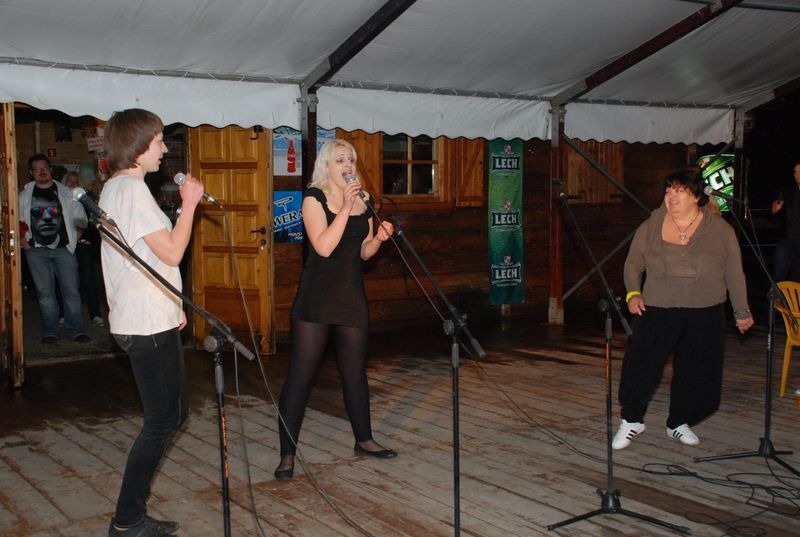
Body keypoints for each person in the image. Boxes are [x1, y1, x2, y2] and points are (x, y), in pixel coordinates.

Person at [100, 109, 204, 537]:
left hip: (150, 314)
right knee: (162, 419)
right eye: (160, 141)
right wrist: (190, 205)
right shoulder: (131, 190)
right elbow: (173, 252)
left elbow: (142, 259)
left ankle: (131, 516)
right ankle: (127, 520)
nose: (165, 149)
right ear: (140, 145)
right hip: (143, 321)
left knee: (173, 413)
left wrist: (172, 303)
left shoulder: (118, 188)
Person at [274, 139, 396, 480]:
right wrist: (344, 207)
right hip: (317, 297)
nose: (348, 165)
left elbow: (363, 252)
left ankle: (364, 439)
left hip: (350, 294)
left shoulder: (364, 199)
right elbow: (324, 247)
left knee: (355, 372)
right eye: (340, 160)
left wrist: (378, 239)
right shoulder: (313, 198)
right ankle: (287, 454)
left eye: (351, 159)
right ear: (326, 166)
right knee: (301, 376)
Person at [613, 168, 754, 450]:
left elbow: (734, 273)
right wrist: (633, 293)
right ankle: (632, 420)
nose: (671, 196)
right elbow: (633, 264)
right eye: (668, 190)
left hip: (705, 310)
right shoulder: (651, 226)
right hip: (657, 308)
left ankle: (679, 422)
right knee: (641, 365)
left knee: (695, 370)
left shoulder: (720, 230)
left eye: (679, 190)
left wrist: (741, 311)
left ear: (697, 196)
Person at [19, 154, 90, 343]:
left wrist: (74, 239)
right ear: (31, 172)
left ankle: (77, 330)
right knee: (45, 294)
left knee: (72, 292)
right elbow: (17, 221)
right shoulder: (24, 196)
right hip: (36, 251)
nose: (42, 172)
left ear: (50, 169)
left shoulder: (66, 192)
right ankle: (51, 331)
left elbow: (81, 219)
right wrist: (25, 244)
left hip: (63, 250)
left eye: (45, 168)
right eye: (37, 169)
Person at [63, 171, 106, 327]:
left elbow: (93, 223)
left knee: (89, 279)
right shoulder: (60, 198)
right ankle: (64, 315)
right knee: (66, 282)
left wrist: (89, 240)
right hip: (64, 245)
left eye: (75, 182)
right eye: (69, 182)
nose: (72, 185)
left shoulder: (86, 200)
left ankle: (95, 314)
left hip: (84, 245)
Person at [770, 161, 800, 281]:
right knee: (778, 278)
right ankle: (776, 294)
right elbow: (773, 216)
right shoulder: (786, 191)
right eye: (795, 172)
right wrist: (774, 211)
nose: (797, 175)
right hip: (785, 242)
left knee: (796, 280)